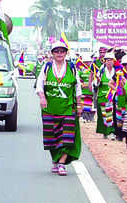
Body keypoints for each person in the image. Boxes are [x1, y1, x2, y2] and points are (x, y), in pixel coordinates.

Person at [35, 41, 83, 176]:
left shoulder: (72, 68)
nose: (59, 54)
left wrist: (79, 105)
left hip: (68, 109)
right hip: (49, 109)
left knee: (67, 137)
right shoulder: (47, 67)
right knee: (52, 138)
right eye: (57, 51)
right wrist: (42, 98)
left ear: (66, 53)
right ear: (52, 53)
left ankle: (62, 163)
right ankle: (55, 161)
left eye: (62, 51)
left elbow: (77, 88)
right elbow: (39, 86)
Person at [94, 52, 116, 140]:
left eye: (111, 60)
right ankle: (105, 132)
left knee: (111, 114)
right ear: (105, 61)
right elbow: (95, 84)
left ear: (114, 61)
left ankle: (112, 132)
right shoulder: (101, 70)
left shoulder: (117, 71)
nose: (109, 62)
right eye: (107, 60)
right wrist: (98, 80)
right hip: (102, 95)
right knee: (103, 114)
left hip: (112, 96)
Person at [78, 54, 95, 122]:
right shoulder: (81, 70)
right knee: (82, 104)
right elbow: (78, 79)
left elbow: (94, 79)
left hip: (90, 91)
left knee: (88, 104)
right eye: (85, 62)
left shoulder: (92, 70)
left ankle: (88, 118)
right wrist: (82, 84)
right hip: (83, 91)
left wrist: (90, 84)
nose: (87, 63)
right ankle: (84, 117)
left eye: (88, 62)